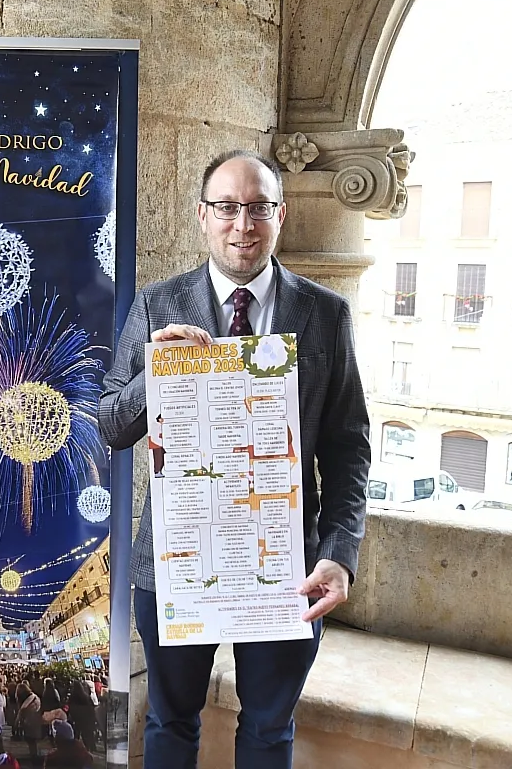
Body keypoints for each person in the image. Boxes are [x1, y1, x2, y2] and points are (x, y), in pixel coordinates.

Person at [98, 150, 370, 768]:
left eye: (258, 208)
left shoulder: (326, 314)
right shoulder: (156, 305)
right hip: (176, 564)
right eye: (226, 207)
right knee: (170, 722)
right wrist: (154, 374)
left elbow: (349, 448)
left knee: (269, 731)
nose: (242, 224)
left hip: (287, 566)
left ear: (281, 214)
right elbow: (111, 426)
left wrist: (339, 552)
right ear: (202, 215)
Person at [15, 681, 44, 766]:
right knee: (33, 742)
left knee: (31, 741)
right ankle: (35, 756)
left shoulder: (25, 706)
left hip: (29, 724)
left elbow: (20, 716)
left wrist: (18, 724)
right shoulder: (35, 697)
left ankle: (34, 758)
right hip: (36, 722)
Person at [67, 682, 98, 753]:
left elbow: (70, 708)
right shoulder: (86, 696)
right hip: (86, 718)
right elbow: (91, 708)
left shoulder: (72, 698)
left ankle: (76, 748)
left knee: (76, 734)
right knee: (88, 734)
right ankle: (91, 747)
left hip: (77, 718)